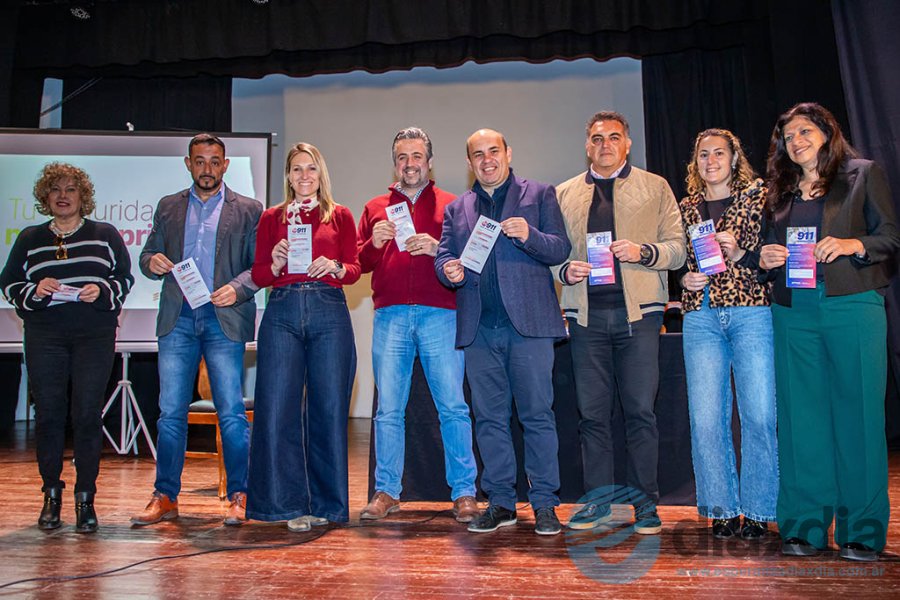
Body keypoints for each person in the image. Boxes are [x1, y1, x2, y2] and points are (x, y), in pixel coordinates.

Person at [759, 103, 899, 561]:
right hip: (793, 311)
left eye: (804, 131)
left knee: (857, 417)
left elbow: (890, 237)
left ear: (826, 132)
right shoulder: (779, 190)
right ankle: (804, 527)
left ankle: (861, 530)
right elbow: (766, 245)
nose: (796, 140)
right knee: (801, 422)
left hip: (852, 305)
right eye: (788, 135)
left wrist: (852, 243)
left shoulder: (862, 174)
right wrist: (766, 258)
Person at [553, 111, 685, 535]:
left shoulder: (656, 187)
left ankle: (645, 504)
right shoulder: (565, 193)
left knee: (640, 413)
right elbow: (553, 252)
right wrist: (563, 271)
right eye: (596, 138)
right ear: (586, 146)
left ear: (627, 144)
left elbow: (679, 249)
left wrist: (644, 252)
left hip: (640, 316)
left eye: (613, 137)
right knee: (591, 416)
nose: (605, 145)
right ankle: (598, 504)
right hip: (586, 318)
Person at [435, 128, 571, 536]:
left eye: (494, 151)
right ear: (470, 162)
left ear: (508, 153)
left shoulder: (540, 194)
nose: (487, 159)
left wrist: (530, 236)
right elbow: (443, 253)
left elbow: (560, 248)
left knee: (537, 416)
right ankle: (501, 503)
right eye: (478, 154)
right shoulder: (458, 209)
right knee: (489, 419)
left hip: (528, 326)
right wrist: (448, 269)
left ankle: (545, 503)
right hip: (479, 329)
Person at [131, 134, 262, 527]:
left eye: (215, 161)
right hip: (179, 318)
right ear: (188, 164)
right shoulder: (169, 207)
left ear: (226, 164)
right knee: (170, 412)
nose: (207, 168)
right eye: (200, 161)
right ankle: (166, 495)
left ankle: (240, 495)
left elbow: (259, 268)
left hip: (225, 319)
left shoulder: (250, 209)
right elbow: (146, 254)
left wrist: (236, 288)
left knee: (231, 412)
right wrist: (150, 260)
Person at [0, 162, 133, 533]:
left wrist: (102, 290)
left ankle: (86, 497)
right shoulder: (29, 237)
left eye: (70, 189)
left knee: (88, 415)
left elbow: (124, 277)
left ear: (82, 196)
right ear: (46, 197)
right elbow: (8, 283)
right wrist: (34, 292)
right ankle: (51, 495)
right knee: (49, 416)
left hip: (94, 335)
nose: (63, 195)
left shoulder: (105, 233)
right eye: (55, 189)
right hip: (45, 337)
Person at [357, 127, 478, 522]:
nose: (410, 164)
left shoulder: (454, 205)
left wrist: (437, 248)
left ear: (430, 161)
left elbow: (468, 259)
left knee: (453, 407)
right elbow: (359, 265)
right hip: (389, 314)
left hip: (440, 313)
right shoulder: (375, 207)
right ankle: (387, 491)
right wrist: (372, 243)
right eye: (402, 157)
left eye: (416, 156)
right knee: (388, 409)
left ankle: (463, 492)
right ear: (395, 163)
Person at [247, 142, 360, 531]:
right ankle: (285, 504)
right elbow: (260, 275)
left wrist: (336, 266)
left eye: (311, 168)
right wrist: (275, 261)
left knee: (328, 408)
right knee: (278, 407)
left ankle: (328, 506)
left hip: (329, 308)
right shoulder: (270, 218)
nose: (304, 176)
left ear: (321, 174)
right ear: (288, 176)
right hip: (282, 310)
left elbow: (356, 267)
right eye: (297, 169)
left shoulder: (340, 215)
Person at [677, 128, 778, 540]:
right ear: (695, 163)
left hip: (751, 310)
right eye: (703, 155)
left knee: (759, 415)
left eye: (719, 153)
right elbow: (678, 260)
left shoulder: (761, 196)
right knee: (705, 419)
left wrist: (741, 254)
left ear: (735, 158)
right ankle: (721, 507)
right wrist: (683, 280)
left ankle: (757, 509)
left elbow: (775, 255)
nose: (711, 161)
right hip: (700, 316)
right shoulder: (686, 207)